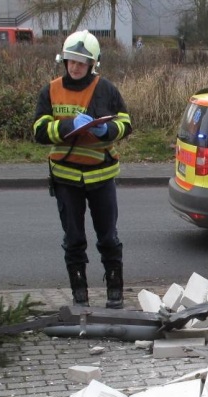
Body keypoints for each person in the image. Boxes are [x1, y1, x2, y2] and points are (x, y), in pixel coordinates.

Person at [32, 30, 132, 308]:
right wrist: (66, 126)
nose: (75, 67)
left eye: (81, 62)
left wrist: (106, 129)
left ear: (92, 64)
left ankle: (115, 291)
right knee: (74, 239)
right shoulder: (50, 90)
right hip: (66, 178)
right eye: (71, 61)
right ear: (63, 61)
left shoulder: (106, 89)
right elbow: (39, 130)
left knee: (108, 237)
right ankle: (80, 294)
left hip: (102, 176)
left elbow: (126, 123)